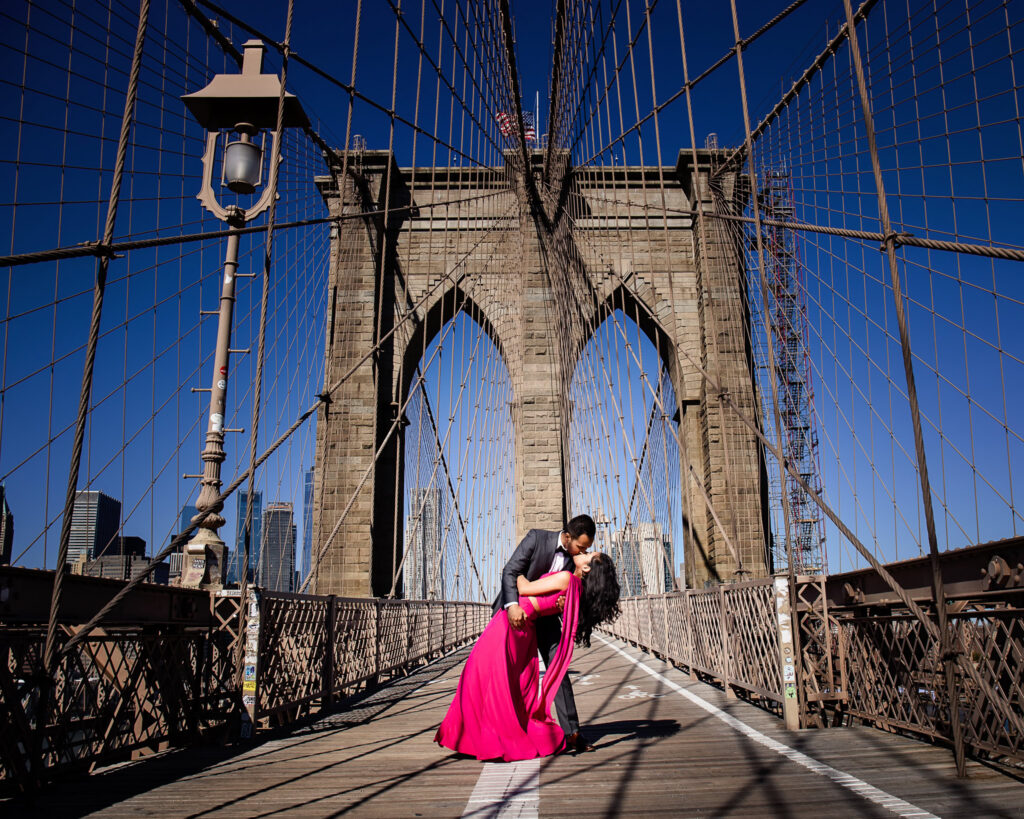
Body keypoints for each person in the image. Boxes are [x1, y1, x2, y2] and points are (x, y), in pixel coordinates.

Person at [434, 547, 621, 762]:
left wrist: (515, 568)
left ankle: (479, 739)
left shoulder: (567, 578)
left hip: (511, 625)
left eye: (589, 555)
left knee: (480, 676)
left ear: (587, 567)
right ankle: (483, 738)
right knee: (505, 683)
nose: (584, 552)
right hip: (525, 629)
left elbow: (523, 587)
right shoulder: (577, 589)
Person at [498, 515, 599, 752]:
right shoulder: (536, 538)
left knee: (559, 669)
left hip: (546, 620)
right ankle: (507, 731)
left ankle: (572, 733)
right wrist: (512, 606)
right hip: (518, 615)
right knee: (511, 674)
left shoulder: (574, 563)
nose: (583, 552)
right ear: (567, 536)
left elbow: (566, 591)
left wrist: (562, 601)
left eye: (587, 549)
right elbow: (511, 571)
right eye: (581, 547)